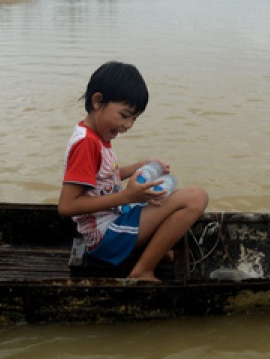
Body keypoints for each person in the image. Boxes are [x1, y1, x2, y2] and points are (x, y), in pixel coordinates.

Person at [58, 61, 209, 282]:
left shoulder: (96, 137)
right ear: (98, 101)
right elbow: (67, 206)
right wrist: (127, 196)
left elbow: (101, 180)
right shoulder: (86, 144)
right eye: (124, 115)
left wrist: (141, 165)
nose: (129, 125)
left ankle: (157, 244)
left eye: (134, 119)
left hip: (111, 222)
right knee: (196, 197)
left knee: (153, 194)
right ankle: (142, 270)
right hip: (105, 237)